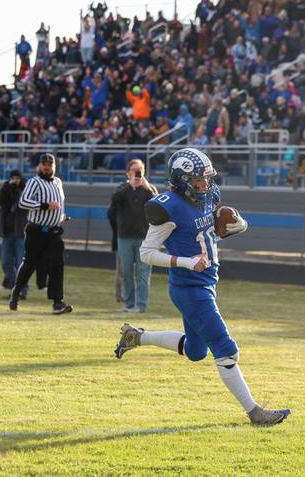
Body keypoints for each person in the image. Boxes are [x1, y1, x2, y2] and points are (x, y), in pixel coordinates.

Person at [114, 147, 290, 426]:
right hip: (189, 289)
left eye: (206, 178)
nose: (205, 185)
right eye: (198, 180)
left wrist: (239, 224)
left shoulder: (209, 196)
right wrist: (185, 261)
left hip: (205, 283)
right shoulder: (166, 206)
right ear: (182, 180)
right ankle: (255, 412)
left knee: (196, 352)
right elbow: (146, 253)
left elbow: (220, 228)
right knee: (225, 347)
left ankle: (137, 337)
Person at [9, 153, 72, 315]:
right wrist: (44, 206)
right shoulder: (34, 182)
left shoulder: (58, 182)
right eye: (44, 164)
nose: (46, 167)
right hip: (37, 231)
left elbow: (58, 204)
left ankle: (58, 302)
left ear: (54, 167)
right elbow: (23, 202)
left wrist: (61, 216)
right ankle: (16, 293)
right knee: (29, 264)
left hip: (54, 232)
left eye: (49, 164)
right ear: (39, 166)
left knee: (57, 265)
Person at [108, 159, 157, 313]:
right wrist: (131, 185)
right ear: (128, 172)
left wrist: (146, 187)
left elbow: (158, 204)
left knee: (143, 274)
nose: (136, 173)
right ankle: (129, 304)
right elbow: (115, 200)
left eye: (139, 170)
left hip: (144, 238)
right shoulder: (123, 187)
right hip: (125, 237)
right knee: (127, 273)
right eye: (134, 170)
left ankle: (141, 306)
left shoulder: (149, 189)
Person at [0, 170, 29, 299]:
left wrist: (16, 190)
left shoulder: (26, 189)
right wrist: (5, 189)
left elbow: (23, 202)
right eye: (12, 178)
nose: (15, 181)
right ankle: (15, 288)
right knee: (6, 263)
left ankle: (22, 291)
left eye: (17, 178)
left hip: (21, 233)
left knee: (21, 264)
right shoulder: (7, 190)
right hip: (7, 233)